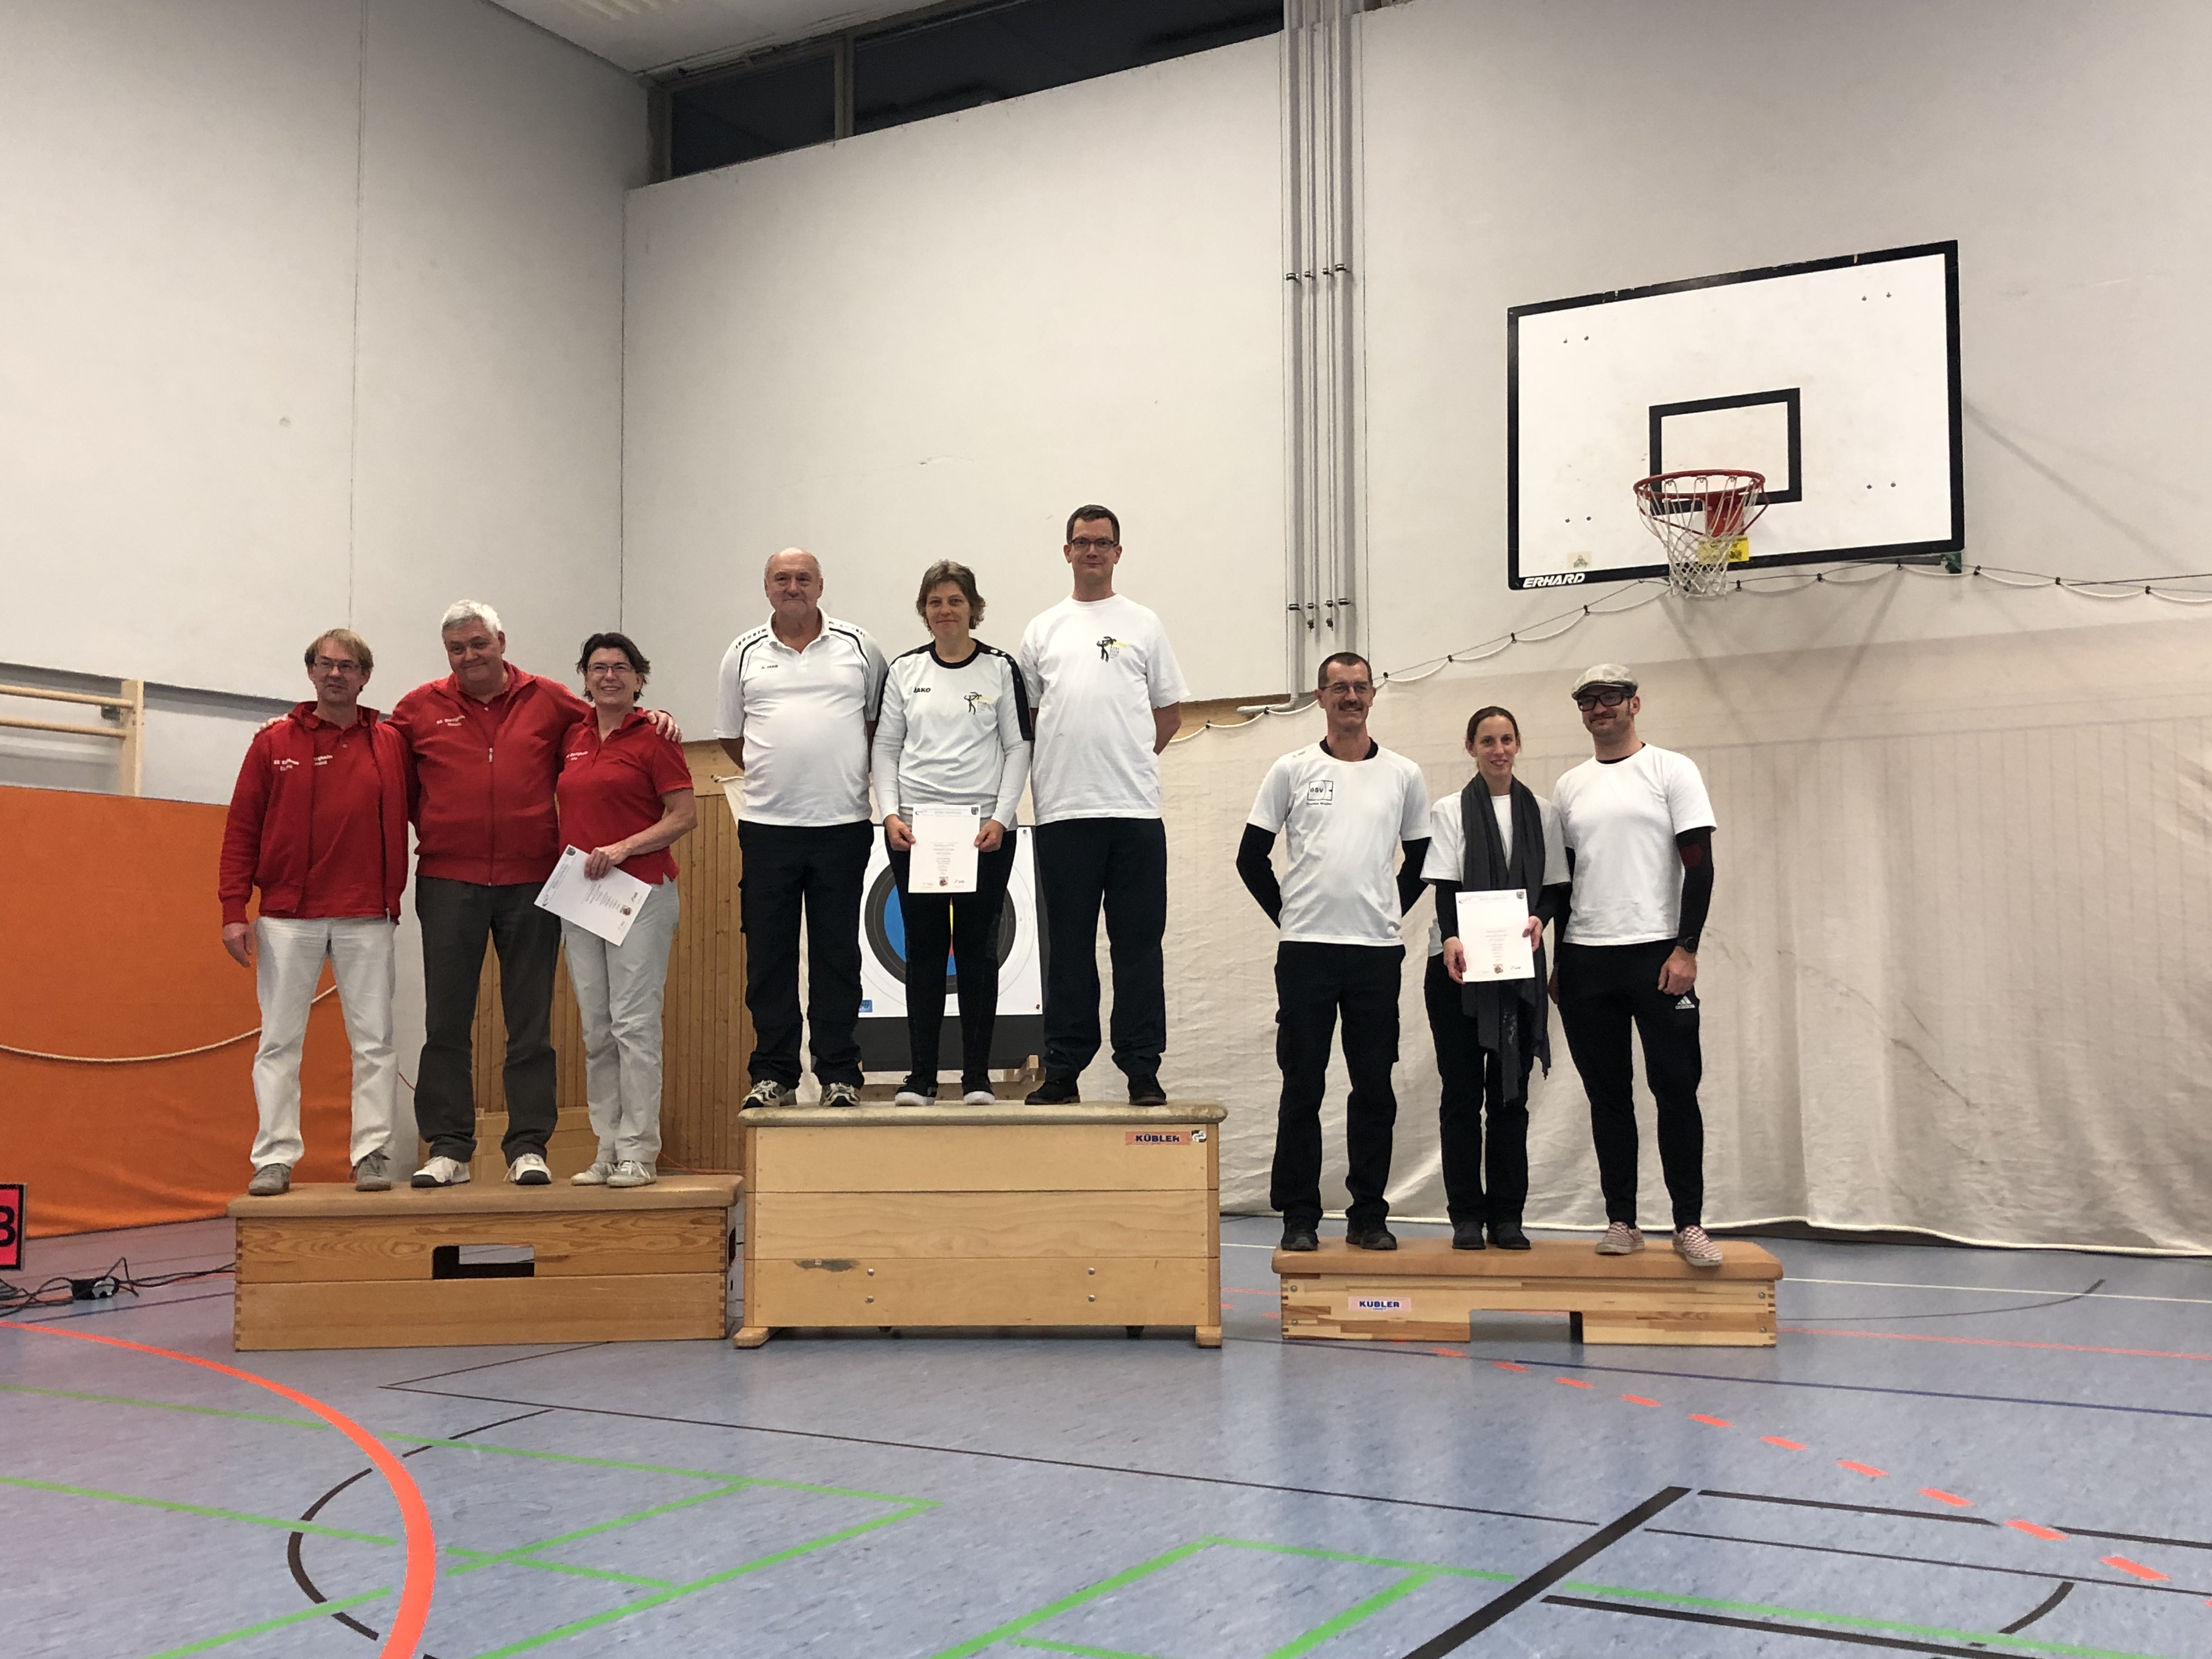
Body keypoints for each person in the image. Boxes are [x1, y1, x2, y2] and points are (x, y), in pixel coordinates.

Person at [391, 600, 678, 1190]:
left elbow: (611, 712)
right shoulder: (419, 708)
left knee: (530, 1022)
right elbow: (373, 751)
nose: (469, 655)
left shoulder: (548, 699)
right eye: (457, 648)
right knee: (445, 1021)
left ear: (501, 641)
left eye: (479, 643)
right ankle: (448, 1148)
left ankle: (528, 1146)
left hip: (534, 881)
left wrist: (658, 715)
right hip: (448, 881)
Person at [1237, 652, 1429, 1252]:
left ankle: (1368, 1214)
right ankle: (1299, 1216)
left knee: (1374, 1087)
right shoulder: (1292, 769)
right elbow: (1250, 857)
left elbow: (1422, 859)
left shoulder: (1403, 775)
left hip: (1375, 954)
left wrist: (1389, 910)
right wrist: (1290, 916)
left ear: (1372, 696)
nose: (1351, 697)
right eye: (1339, 687)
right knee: (1303, 1086)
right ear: (1320, 697)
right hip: (1306, 954)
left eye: (1360, 687)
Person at [218, 629, 413, 1196]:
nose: (335, 674)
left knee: (375, 1043)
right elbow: (242, 828)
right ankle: (275, 1157)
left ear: (365, 677)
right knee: (279, 1042)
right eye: (325, 664)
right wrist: (234, 908)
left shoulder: (392, 743)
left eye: (347, 666)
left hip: (367, 916)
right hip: (287, 917)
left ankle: (372, 1153)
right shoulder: (272, 742)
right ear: (310, 672)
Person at [1550, 664, 1722, 1267]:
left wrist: (1687, 948)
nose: (1601, 709)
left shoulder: (1672, 771)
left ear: (1634, 704)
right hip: (1586, 960)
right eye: (1589, 701)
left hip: (1658, 956)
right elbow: (1562, 883)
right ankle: (1622, 1219)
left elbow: (1699, 865)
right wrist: (1556, 959)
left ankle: (1689, 1224)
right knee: (1608, 1097)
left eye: (1611, 698)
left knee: (1676, 1091)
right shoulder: (1569, 787)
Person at [1018, 505, 1188, 1104]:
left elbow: (1169, 714)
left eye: (1103, 543)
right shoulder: (1042, 631)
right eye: (1082, 542)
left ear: (1118, 552)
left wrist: (1127, 760)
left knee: (1138, 948)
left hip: (1134, 814)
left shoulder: (1144, 624)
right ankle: (1064, 1069)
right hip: (1064, 814)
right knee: (1068, 948)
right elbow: (1030, 721)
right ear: (1067, 551)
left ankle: (1142, 1069)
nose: (1092, 551)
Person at [716, 550, 888, 1108]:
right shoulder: (741, 653)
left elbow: (878, 727)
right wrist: (780, 777)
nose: (793, 587)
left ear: (820, 585)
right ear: (767, 587)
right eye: (782, 579)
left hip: (842, 825)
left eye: (803, 578)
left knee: (838, 955)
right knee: (769, 957)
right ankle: (775, 1075)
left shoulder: (860, 647)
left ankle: (840, 1074)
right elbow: (732, 737)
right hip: (768, 829)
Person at [872, 561, 1032, 1106]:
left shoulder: (1000, 668)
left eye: (956, 601)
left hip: (984, 833)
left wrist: (1001, 818)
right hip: (915, 833)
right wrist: (890, 814)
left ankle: (977, 1077)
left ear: (973, 608)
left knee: (977, 951)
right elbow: (885, 747)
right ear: (924, 611)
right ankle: (921, 1077)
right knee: (923, 951)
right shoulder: (904, 670)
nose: (946, 610)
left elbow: (1018, 746)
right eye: (936, 602)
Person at [1424, 706, 1568, 1251]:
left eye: (1507, 739)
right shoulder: (1450, 810)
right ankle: (1466, 1215)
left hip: (1517, 970)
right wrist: (1452, 937)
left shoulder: (1543, 812)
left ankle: (1508, 1216)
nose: (1498, 750)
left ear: (1518, 744)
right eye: (1487, 741)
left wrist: (1540, 919)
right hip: (1458, 969)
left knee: (1510, 1097)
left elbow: (1553, 888)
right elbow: (1444, 884)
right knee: (1462, 1098)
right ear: (1471, 748)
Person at [555, 632, 696, 1188]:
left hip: (641, 890)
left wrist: (622, 848)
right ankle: (608, 1148)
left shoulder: (655, 736)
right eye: (598, 668)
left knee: (633, 1025)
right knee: (597, 1030)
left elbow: (683, 815)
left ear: (639, 679)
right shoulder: (572, 735)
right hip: (581, 896)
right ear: (585, 678)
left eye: (620, 668)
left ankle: (639, 1150)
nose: (609, 676)